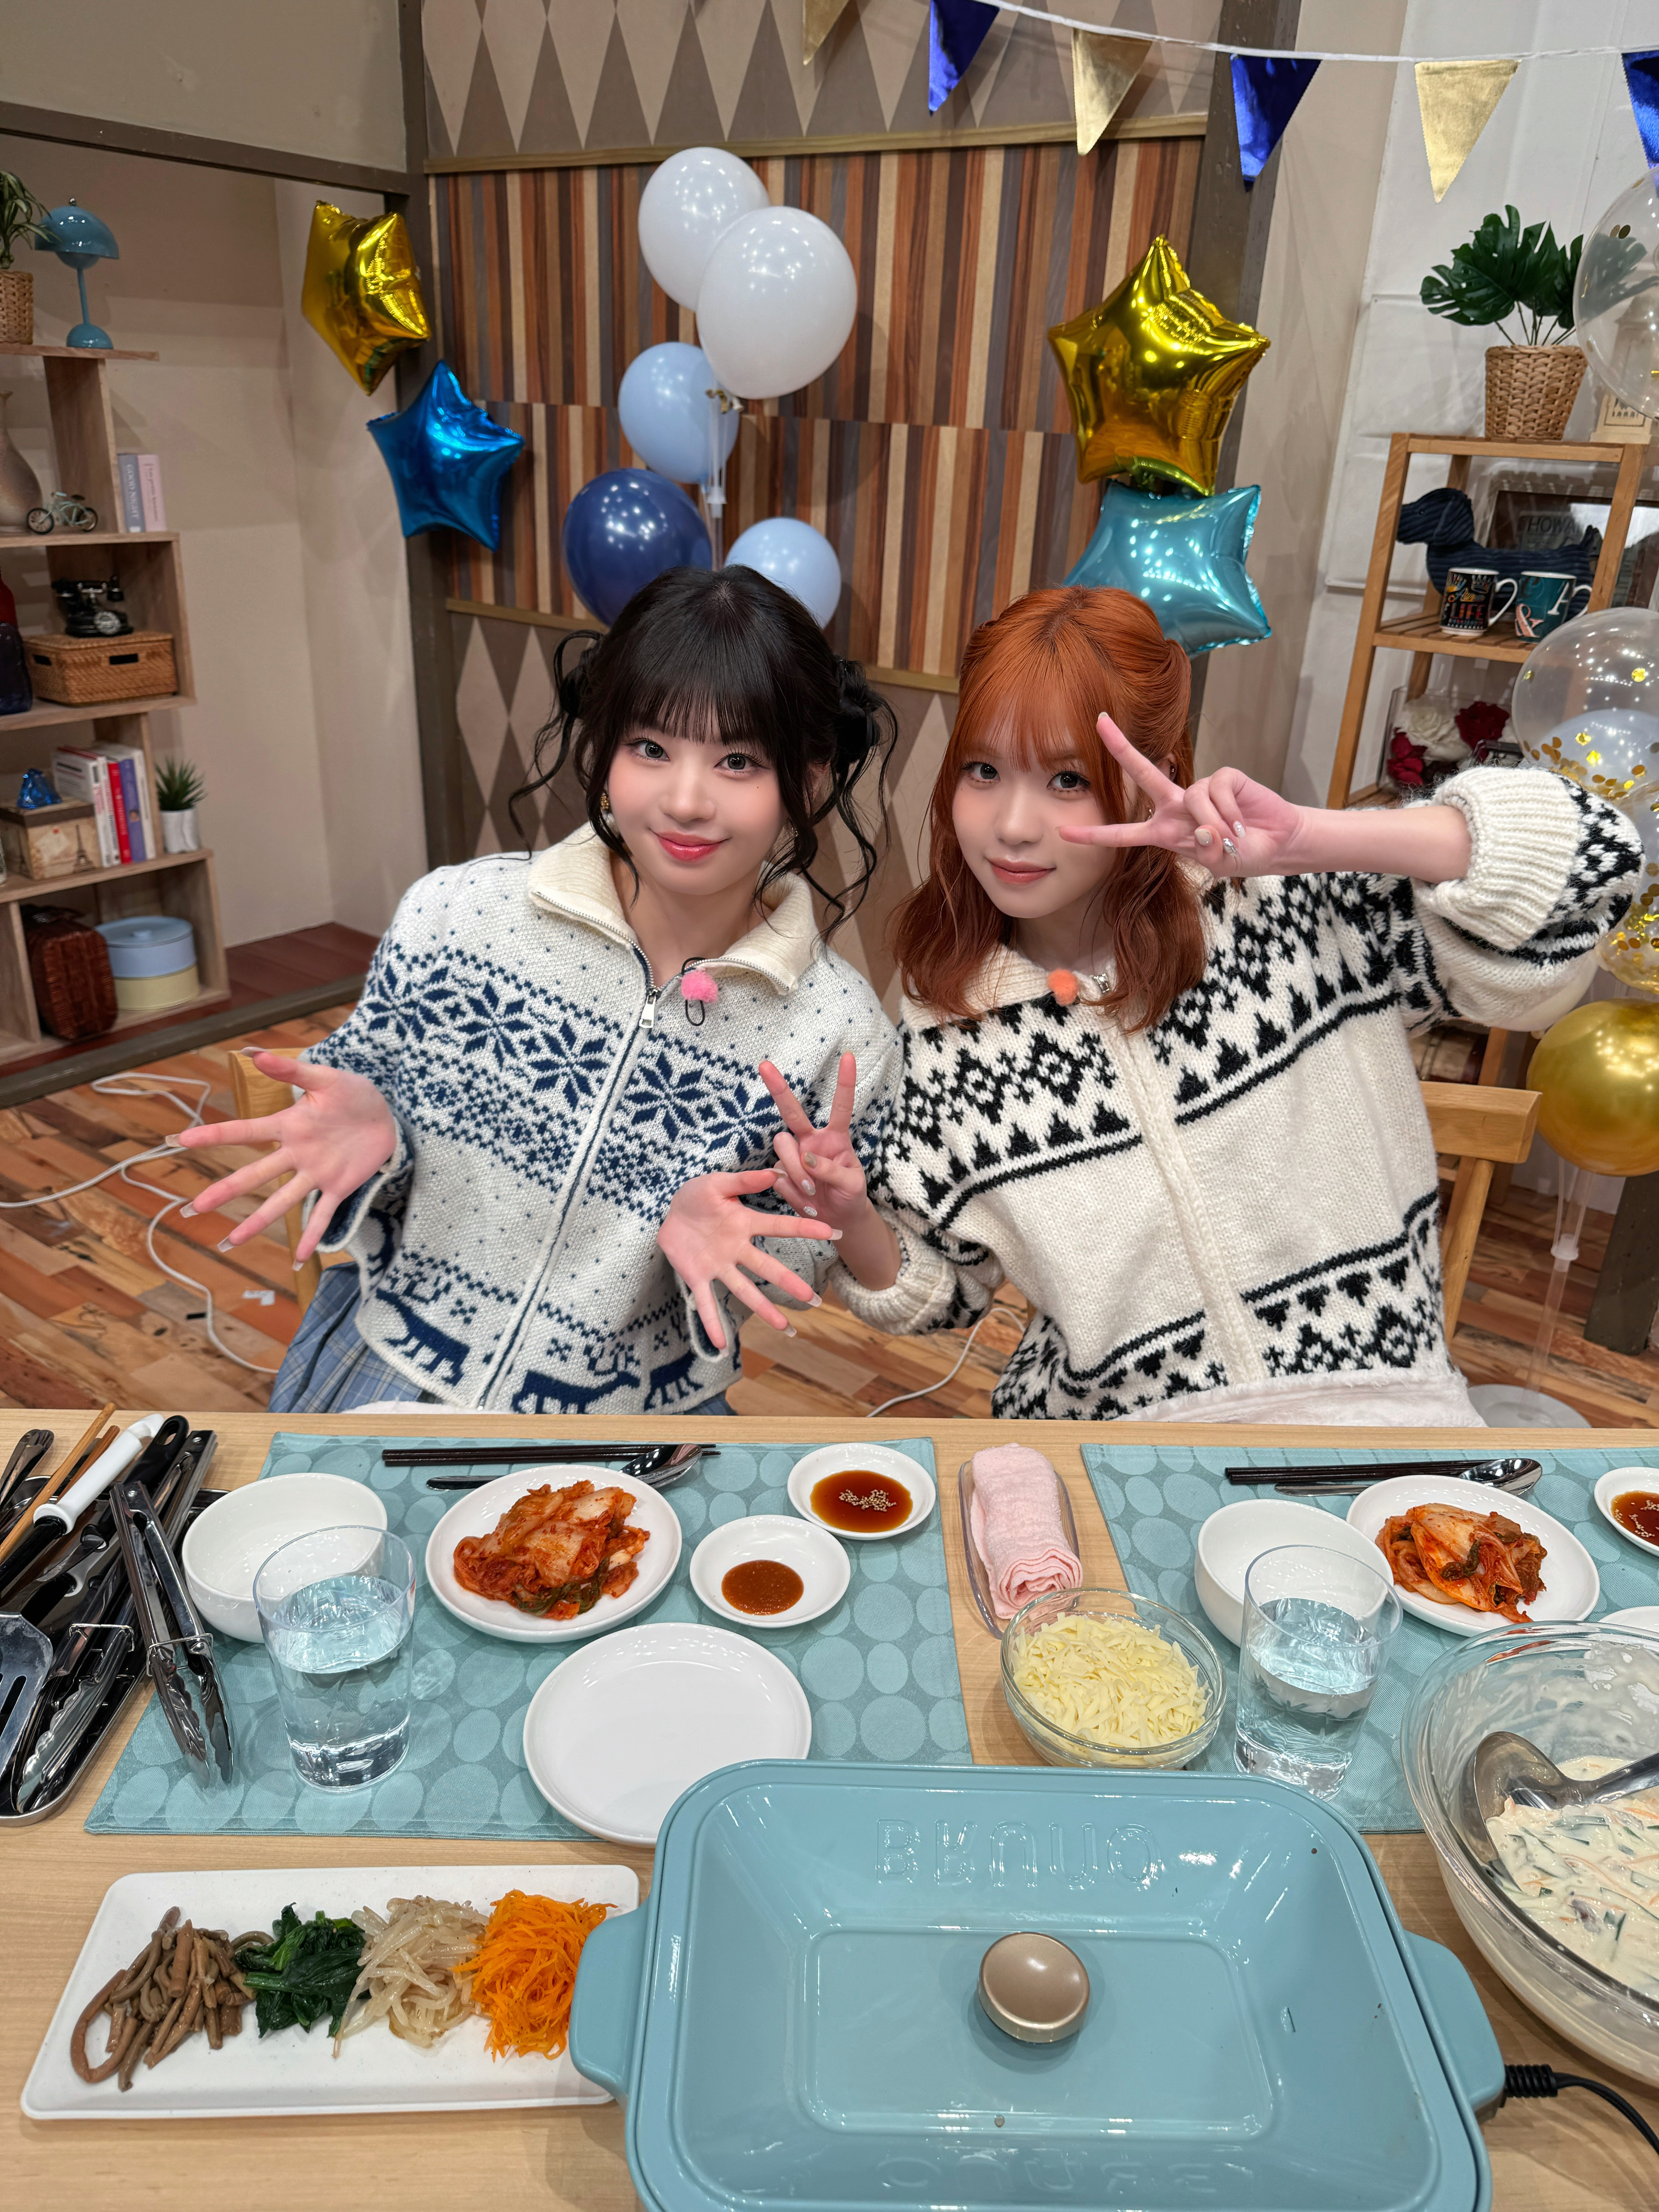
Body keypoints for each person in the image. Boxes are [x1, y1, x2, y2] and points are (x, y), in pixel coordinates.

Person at [747, 586, 1640, 1426]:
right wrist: (853, 1219)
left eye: (1067, 779)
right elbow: (945, 1290)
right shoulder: (947, 1030)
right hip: (1123, 1448)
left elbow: (1594, 868)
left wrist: (1314, 838)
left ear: (1158, 775)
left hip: (1380, 1423)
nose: (1012, 826)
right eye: (984, 770)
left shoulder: (1291, 914)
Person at [175, 565, 900, 1414]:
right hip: (396, 1359)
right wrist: (385, 1131)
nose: (685, 801)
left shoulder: (839, 1029)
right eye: (650, 748)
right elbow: (357, 1128)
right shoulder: (456, 915)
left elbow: (797, 1264)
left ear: (809, 780)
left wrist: (724, 1237)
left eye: (737, 761)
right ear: (606, 747)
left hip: (638, 1411)